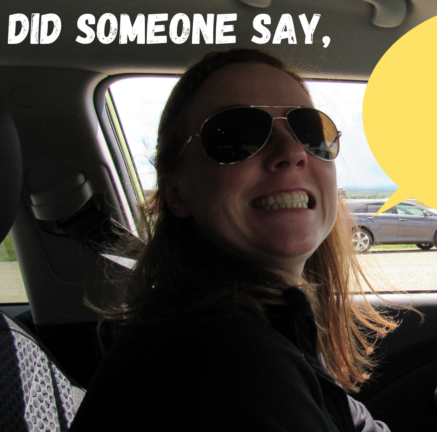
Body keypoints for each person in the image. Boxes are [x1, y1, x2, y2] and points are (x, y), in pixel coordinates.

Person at [70, 49, 401, 431]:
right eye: (237, 136)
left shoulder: (271, 320)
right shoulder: (223, 360)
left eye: (311, 132)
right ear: (177, 193)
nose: (293, 151)